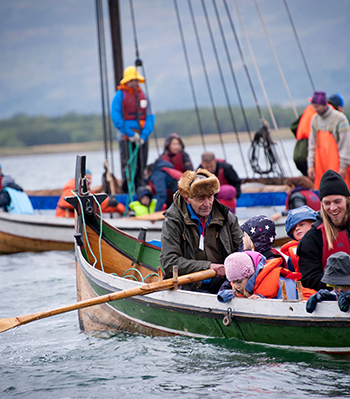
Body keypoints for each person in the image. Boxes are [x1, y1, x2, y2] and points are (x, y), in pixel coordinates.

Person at [159, 168, 243, 293]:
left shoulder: (227, 217)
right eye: (200, 199)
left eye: (210, 197)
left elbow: (241, 248)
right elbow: (169, 262)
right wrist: (207, 266)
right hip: (188, 284)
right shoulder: (173, 221)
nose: (207, 204)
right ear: (187, 199)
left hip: (223, 281)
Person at [111, 66, 156, 195]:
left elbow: (150, 116)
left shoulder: (144, 95)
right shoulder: (119, 96)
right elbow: (116, 118)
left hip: (142, 137)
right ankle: (128, 192)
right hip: (126, 138)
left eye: (136, 80)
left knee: (142, 164)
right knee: (129, 166)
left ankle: (141, 190)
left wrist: (144, 135)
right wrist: (130, 134)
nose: (134, 83)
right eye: (131, 80)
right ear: (126, 81)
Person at [217, 251, 307, 302]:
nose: (236, 286)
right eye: (233, 282)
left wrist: (263, 301)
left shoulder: (280, 280)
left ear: (250, 274)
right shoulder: (240, 284)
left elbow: (290, 308)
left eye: (239, 281)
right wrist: (229, 294)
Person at [306, 91, 350, 190]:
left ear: (324, 104)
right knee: (322, 195)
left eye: (318, 107)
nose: (316, 109)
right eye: (314, 107)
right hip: (320, 167)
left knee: (340, 194)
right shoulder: (315, 120)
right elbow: (312, 145)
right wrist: (310, 165)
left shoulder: (340, 119)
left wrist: (343, 166)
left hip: (337, 166)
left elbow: (345, 145)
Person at [55, 170, 125, 218]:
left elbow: (95, 203)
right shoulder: (71, 188)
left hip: (77, 218)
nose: (89, 182)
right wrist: (108, 202)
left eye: (90, 179)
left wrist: (118, 207)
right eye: (88, 179)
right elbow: (85, 202)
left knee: (116, 208)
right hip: (66, 217)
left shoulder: (85, 189)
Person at [279, 206, 319, 273]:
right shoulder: (292, 256)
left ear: (313, 224)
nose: (297, 229)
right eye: (294, 229)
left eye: (301, 224)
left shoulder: (323, 243)